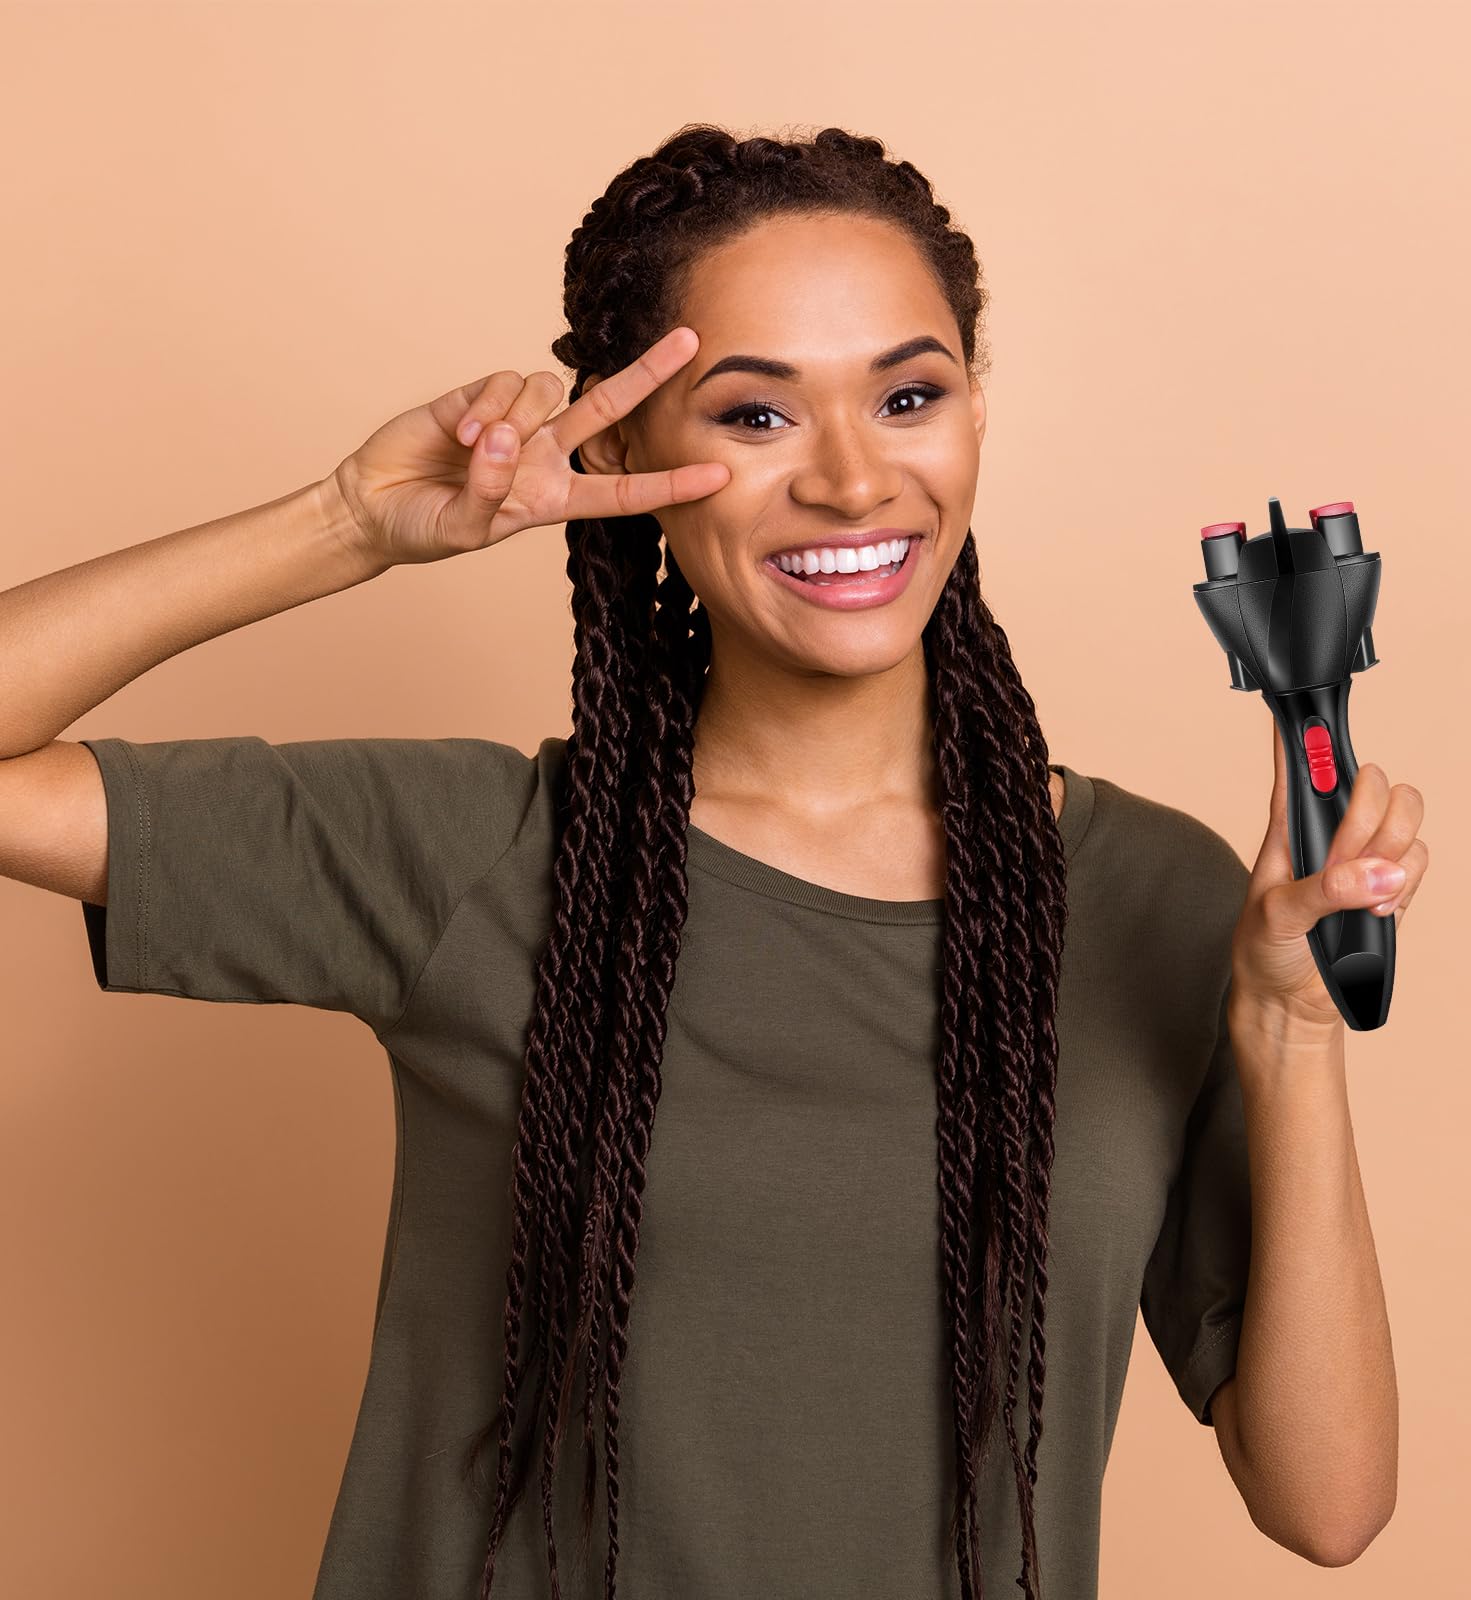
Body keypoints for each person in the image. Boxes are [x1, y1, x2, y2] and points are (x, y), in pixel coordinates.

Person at [4, 125, 1275, 1600]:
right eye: (754, 418)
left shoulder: (1154, 898)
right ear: (619, 453)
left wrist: (1294, 1033)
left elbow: (1329, 1504)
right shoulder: (478, 861)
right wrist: (344, 525)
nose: (856, 482)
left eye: (909, 395)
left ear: (975, 415)